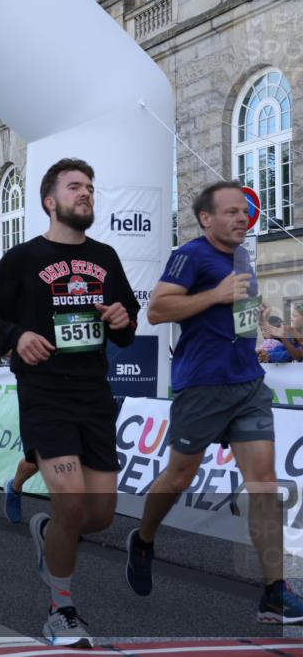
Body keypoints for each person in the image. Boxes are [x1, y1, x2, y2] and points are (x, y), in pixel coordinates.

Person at [0, 158, 139, 647]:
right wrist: (16, 336)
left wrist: (122, 318)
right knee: (71, 501)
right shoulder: (23, 258)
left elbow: (126, 328)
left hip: (94, 393)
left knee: (99, 516)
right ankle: (61, 609)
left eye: (90, 187)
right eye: (74, 186)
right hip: (45, 394)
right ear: (50, 201)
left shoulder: (105, 257)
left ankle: (50, 533)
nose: (85, 193)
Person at [125, 181, 303, 625]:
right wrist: (215, 296)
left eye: (244, 211)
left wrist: (250, 319)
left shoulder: (243, 259)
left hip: (248, 385)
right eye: (231, 212)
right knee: (179, 476)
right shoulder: (191, 255)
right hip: (202, 387)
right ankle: (144, 540)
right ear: (206, 218)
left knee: (264, 483)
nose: (242, 218)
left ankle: (274, 592)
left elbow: (236, 318)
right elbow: (157, 311)